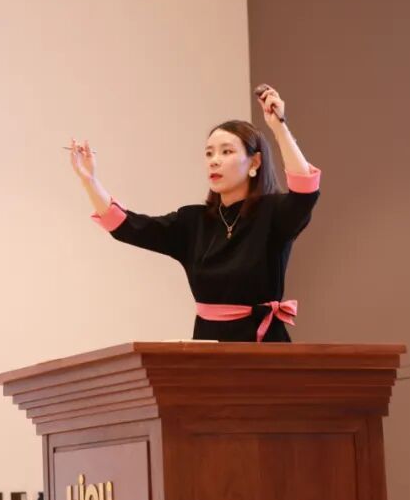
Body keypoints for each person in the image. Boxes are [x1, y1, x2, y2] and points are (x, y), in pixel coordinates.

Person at [68, 85, 320, 342]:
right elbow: (127, 226)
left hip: (263, 346)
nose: (214, 160)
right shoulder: (192, 222)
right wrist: (90, 180)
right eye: (209, 153)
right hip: (207, 349)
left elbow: (305, 191)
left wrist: (279, 127)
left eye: (226, 151)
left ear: (254, 162)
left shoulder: (273, 213)